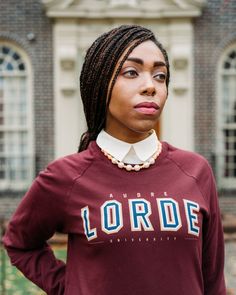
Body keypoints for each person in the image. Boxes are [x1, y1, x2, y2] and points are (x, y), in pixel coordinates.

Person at [3, 25, 226, 295]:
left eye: (160, 76)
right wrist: (70, 286)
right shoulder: (65, 177)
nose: (150, 86)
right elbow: (19, 242)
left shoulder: (195, 171)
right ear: (100, 82)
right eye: (132, 72)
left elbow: (213, 280)